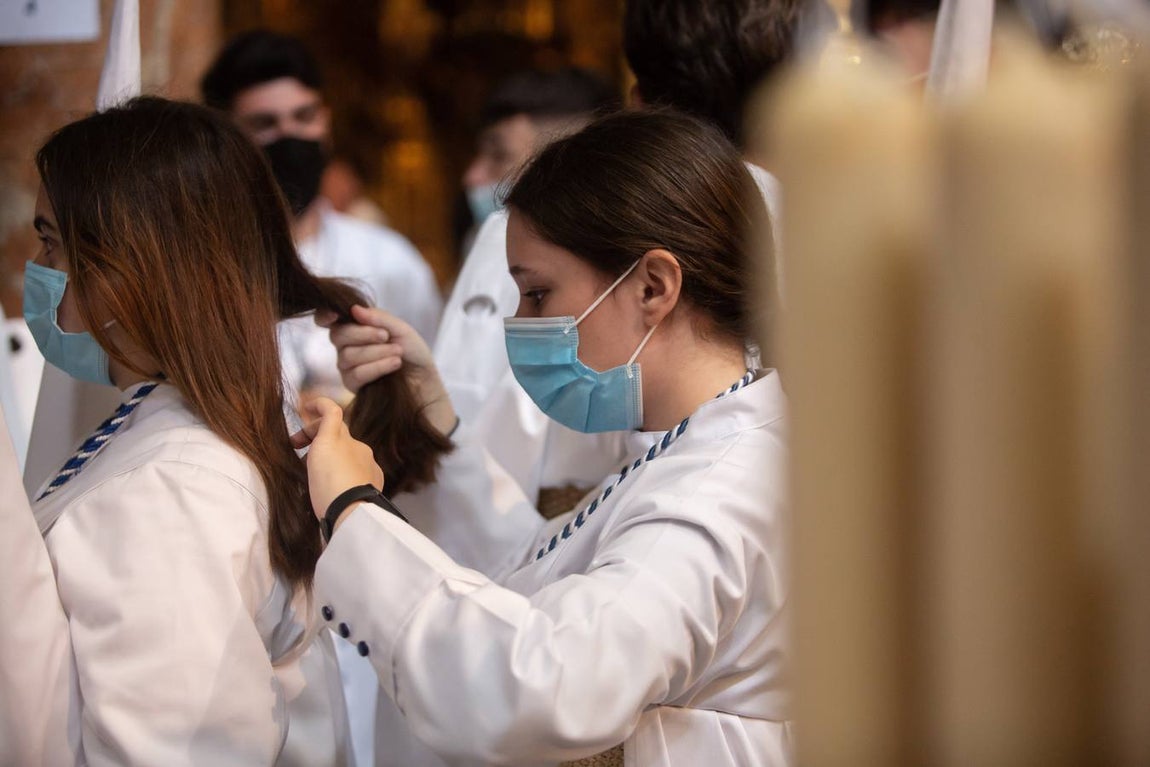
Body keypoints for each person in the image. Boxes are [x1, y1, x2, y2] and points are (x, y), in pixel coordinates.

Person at [302, 110, 790, 766]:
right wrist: (430, 415)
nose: (521, 322)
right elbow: (545, 578)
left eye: (537, 293)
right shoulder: (694, 443)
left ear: (653, 286)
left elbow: (552, 684)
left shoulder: (721, 480)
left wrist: (351, 509)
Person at [6, 96, 375, 766]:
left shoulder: (169, 490)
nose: (37, 271)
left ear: (133, 270)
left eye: (54, 243)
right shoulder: (173, 430)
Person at [201, 29, 442, 404]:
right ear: (228, 140)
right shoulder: (202, 268)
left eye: (304, 117)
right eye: (265, 124)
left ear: (325, 121)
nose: (290, 136)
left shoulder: (389, 260)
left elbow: (430, 389)